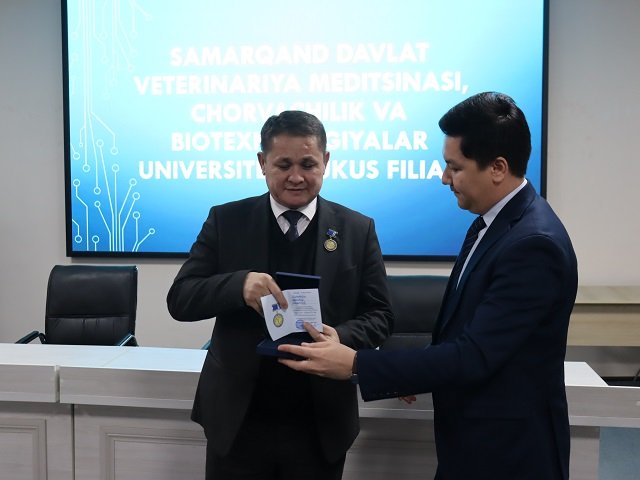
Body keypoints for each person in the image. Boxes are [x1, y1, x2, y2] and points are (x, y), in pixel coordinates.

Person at [279, 92, 578, 480]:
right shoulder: (494, 225)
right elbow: (467, 332)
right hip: (474, 445)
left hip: (509, 454)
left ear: (497, 168)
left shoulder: (533, 245)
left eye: (455, 167)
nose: (444, 178)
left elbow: (475, 355)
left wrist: (354, 363)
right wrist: (411, 372)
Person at [167, 110, 394, 480]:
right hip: (239, 422)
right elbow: (180, 299)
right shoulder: (226, 221)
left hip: (319, 424)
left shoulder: (356, 229)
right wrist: (238, 286)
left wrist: (340, 337)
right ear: (262, 163)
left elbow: (381, 315)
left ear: (326, 161)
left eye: (308, 164)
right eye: (283, 164)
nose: (296, 176)